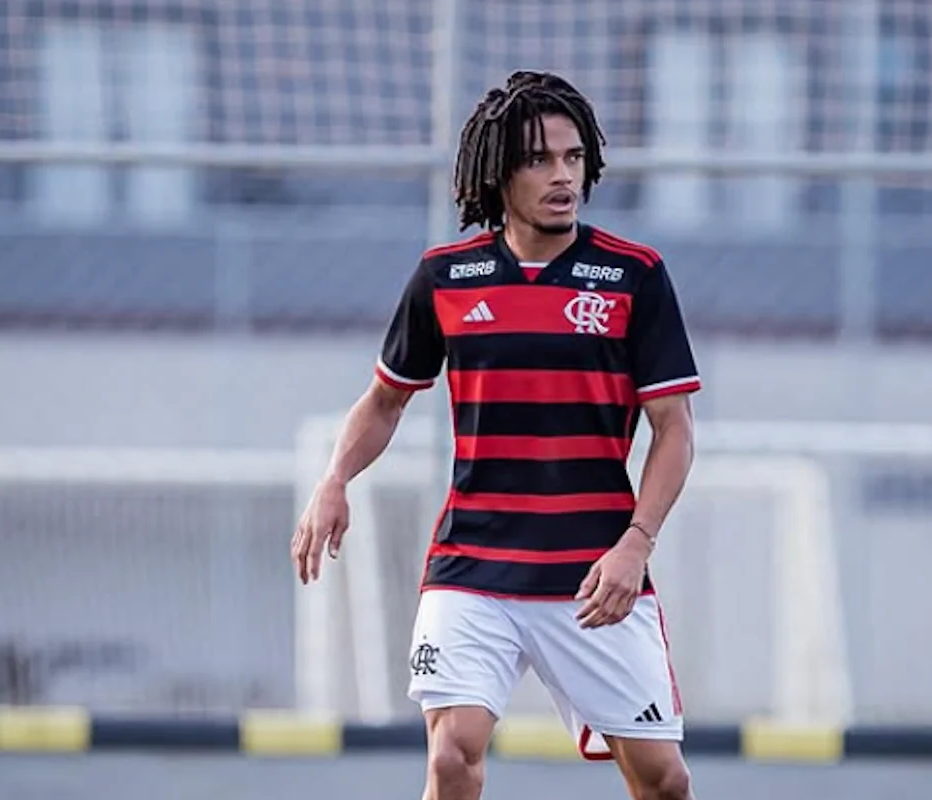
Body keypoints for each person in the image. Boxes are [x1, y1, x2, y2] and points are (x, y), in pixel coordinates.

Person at [291, 69, 700, 800]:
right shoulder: (445, 278)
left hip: (595, 576)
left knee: (662, 780)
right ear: (497, 172)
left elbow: (675, 430)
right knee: (452, 756)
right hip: (474, 565)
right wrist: (334, 480)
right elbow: (384, 403)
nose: (562, 175)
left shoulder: (634, 276)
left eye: (574, 158)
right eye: (539, 159)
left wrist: (635, 544)